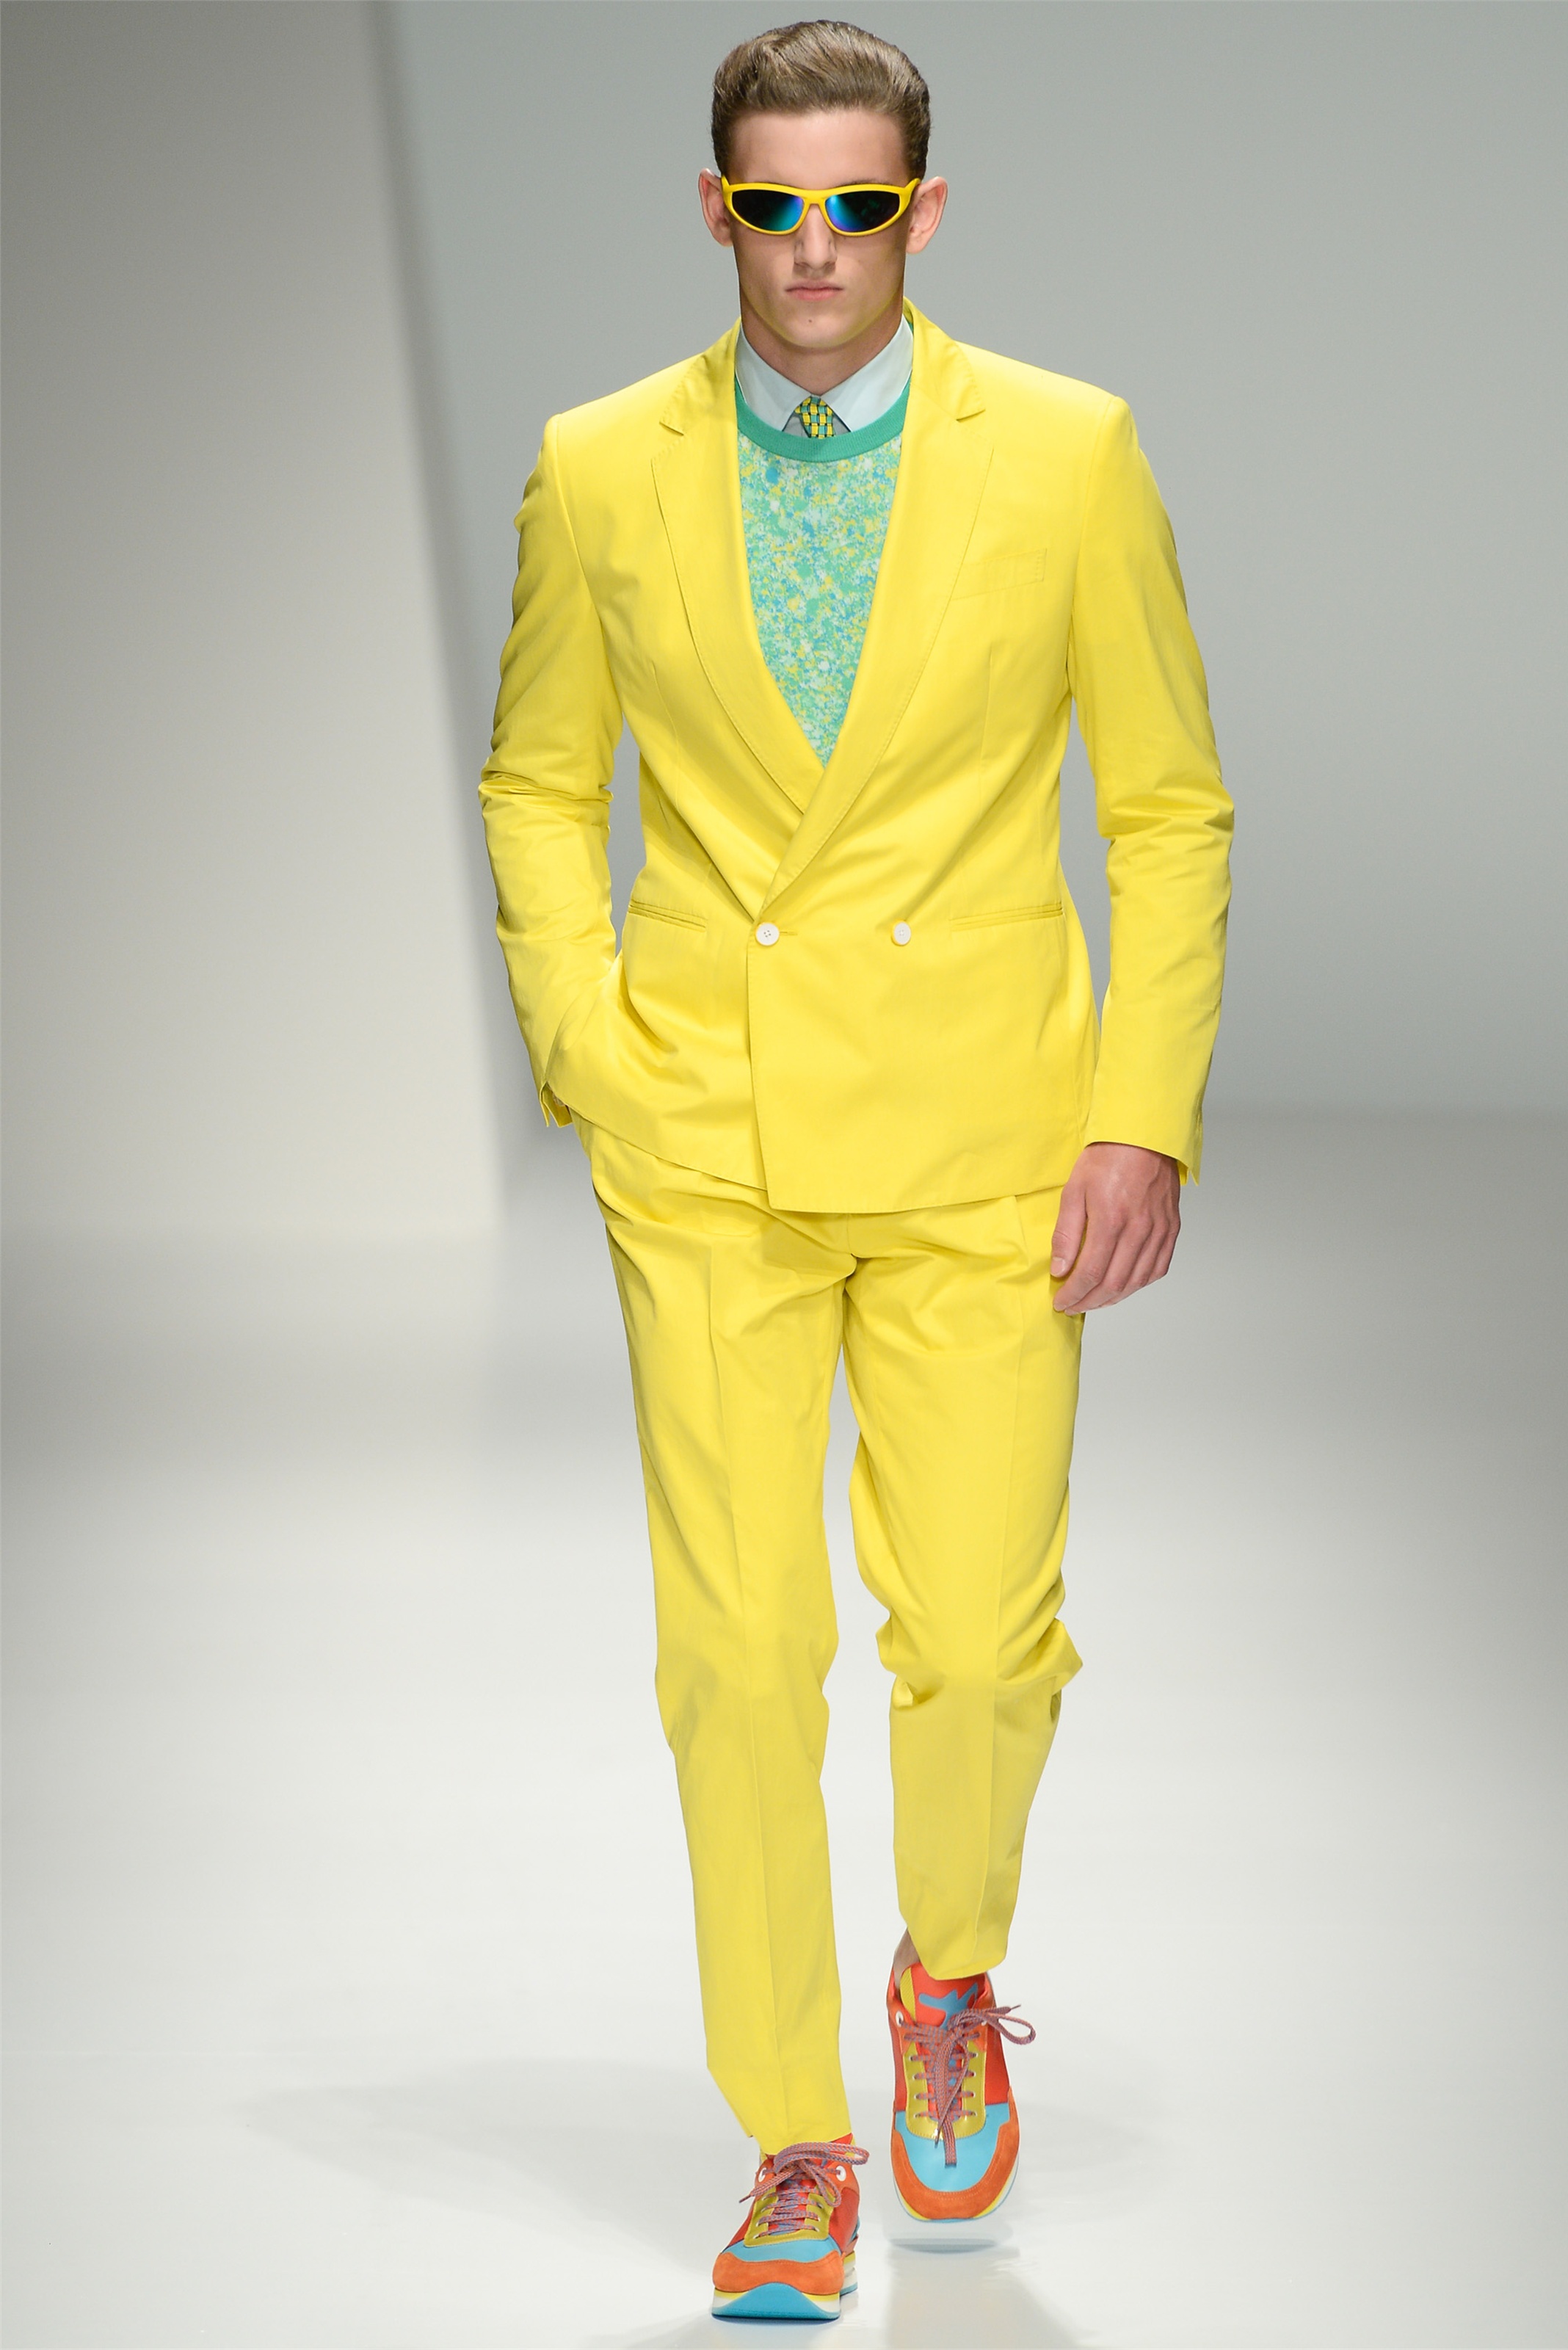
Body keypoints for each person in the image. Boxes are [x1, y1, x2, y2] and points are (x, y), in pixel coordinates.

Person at [480, 18, 1230, 2324]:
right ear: (716, 209)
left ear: (925, 209)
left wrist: (1140, 1108)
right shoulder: (599, 465)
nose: (817, 247)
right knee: (736, 1650)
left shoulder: (1070, 452)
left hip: (988, 1132)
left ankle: (948, 1971)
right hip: (705, 1131)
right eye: (775, 204)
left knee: (983, 1634)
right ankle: (795, 2134)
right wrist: (586, 1041)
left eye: (860, 204)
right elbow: (538, 777)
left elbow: (1166, 803)